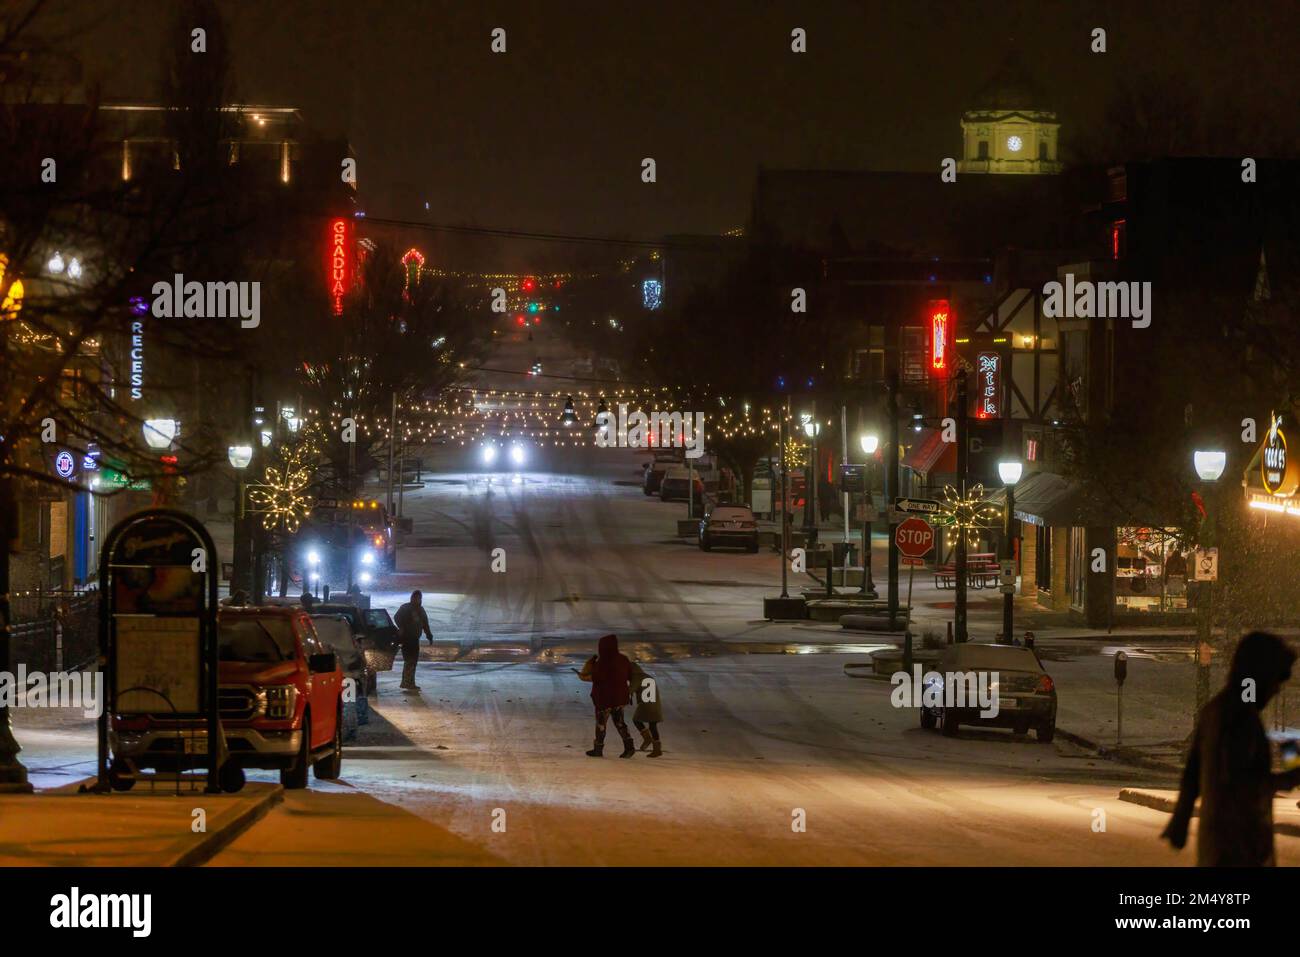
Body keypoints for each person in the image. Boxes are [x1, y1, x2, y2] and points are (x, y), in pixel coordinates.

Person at [1163, 630, 1300, 865]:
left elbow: (1192, 773)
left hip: (1220, 847)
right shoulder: (1240, 719)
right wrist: (1291, 776)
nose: (1277, 690)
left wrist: (1181, 818)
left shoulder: (1216, 711)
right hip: (1239, 849)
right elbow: (1242, 784)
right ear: (1260, 675)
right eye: (1276, 680)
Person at [578, 634, 636, 758]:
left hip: (604, 699)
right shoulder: (623, 659)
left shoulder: (602, 662)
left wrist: (589, 669)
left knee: (601, 724)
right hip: (620, 698)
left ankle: (598, 749)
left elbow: (596, 677)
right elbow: (631, 676)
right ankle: (629, 747)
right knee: (620, 723)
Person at [393, 590, 433, 692]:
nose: (417, 600)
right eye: (415, 597)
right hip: (406, 638)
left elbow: (425, 624)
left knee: (412, 661)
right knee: (409, 660)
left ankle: (409, 682)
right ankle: (408, 682)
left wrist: (429, 635)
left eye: (419, 598)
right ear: (412, 598)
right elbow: (396, 617)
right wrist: (402, 627)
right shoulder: (406, 607)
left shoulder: (421, 610)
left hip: (415, 639)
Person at [628, 659, 664, 757]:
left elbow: (630, 690)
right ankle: (657, 748)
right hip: (655, 704)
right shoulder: (648, 676)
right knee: (653, 726)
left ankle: (647, 739)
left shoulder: (636, 678)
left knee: (636, 720)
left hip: (646, 704)